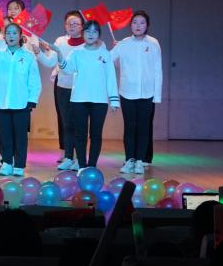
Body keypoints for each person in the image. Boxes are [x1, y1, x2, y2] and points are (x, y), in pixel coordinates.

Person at [0, 23, 42, 177]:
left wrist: (32, 99)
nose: (11, 36)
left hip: (21, 102)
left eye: (14, 33)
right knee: (5, 135)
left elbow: (34, 79)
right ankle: (7, 163)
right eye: (8, 33)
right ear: (4, 37)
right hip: (1, 101)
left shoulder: (28, 57)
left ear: (20, 36)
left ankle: (19, 165)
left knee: (20, 135)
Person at [54, 20, 119, 169]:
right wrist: (59, 54)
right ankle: (82, 166)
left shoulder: (105, 54)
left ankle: (92, 166)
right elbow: (67, 69)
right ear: (83, 33)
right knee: (80, 134)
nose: (91, 34)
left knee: (96, 134)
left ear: (99, 35)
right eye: (88, 31)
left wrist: (114, 100)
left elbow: (111, 77)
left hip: (99, 100)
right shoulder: (76, 52)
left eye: (94, 31)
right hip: (79, 99)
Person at [112, 10, 163, 175]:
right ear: (131, 25)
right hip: (127, 92)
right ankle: (129, 160)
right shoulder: (123, 44)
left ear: (147, 25)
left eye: (142, 22)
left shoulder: (153, 43)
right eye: (134, 22)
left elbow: (158, 70)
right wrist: (107, 48)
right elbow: (108, 60)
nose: (138, 26)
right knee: (129, 127)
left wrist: (157, 95)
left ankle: (140, 161)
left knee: (143, 128)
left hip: (147, 93)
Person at [49, 11, 85, 171]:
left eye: (75, 23)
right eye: (69, 23)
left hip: (81, 89)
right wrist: (40, 51)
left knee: (80, 125)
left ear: (82, 26)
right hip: (63, 87)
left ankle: (80, 158)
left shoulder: (88, 44)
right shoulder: (60, 41)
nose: (72, 26)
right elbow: (51, 61)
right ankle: (68, 156)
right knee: (67, 124)